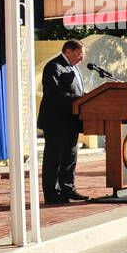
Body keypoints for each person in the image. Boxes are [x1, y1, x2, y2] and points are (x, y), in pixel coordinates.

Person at [38, 39, 88, 204]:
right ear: (68, 51)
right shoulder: (54, 66)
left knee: (70, 157)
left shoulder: (74, 68)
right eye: (79, 54)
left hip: (72, 121)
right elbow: (53, 95)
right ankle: (52, 194)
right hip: (56, 122)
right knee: (54, 159)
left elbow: (76, 90)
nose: (82, 59)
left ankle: (68, 189)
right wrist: (81, 98)